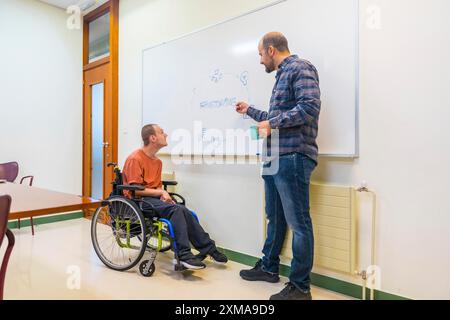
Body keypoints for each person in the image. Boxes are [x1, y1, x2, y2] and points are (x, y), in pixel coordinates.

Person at [235, 32, 321, 300]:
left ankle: (300, 287)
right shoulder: (281, 76)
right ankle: (270, 267)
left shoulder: (300, 68)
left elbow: (309, 108)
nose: (261, 61)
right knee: (274, 216)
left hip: (292, 156)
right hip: (274, 159)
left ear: (271, 50)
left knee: (299, 223)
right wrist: (251, 110)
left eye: (261, 54)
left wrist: (272, 123)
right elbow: (275, 117)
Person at [122, 124, 228, 270]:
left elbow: (156, 185)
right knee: (176, 210)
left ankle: (208, 247)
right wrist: (161, 193)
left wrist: (163, 196)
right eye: (161, 132)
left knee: (183, 210)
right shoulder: (135, 158)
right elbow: (135, 190)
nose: (166, 135)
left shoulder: (157, 162)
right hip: (137, 200)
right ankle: (184, 255)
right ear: (152, 138)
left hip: (152, 199)